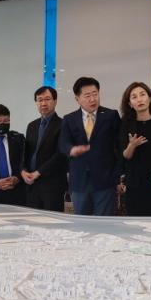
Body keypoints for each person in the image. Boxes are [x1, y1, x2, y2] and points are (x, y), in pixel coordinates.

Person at [59, 77, 122, 215]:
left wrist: (117, 177)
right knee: (82, 223)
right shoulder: (69, 119)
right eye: (87, 96)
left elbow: (119, 146)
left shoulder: (111, 115)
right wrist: (71, 149)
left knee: (104, 222)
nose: (93, 99)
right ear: (77, 98)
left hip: (105, 180)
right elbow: (63, 143)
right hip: (79, 180)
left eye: (95, 94)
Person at [118, 82, 151, 216]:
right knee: (135, 223)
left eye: (142, 95)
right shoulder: (126, 124)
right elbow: (125, 156)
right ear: (130, 103)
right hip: (134, 183)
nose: (139, 99)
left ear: (149, 98)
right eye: (134, 97)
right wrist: (132, 145)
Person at [21, 86, 68, 212]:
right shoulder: (32, 125)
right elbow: (27, 152)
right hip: (32, 184)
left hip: (52, 184)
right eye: (40, 100)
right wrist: (23, 170)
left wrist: (38, 172)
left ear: (55, 101)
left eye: (47, 99)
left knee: (52, 221)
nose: (43, 103)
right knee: (33, 220)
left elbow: (60, 154)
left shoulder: (64, 124)